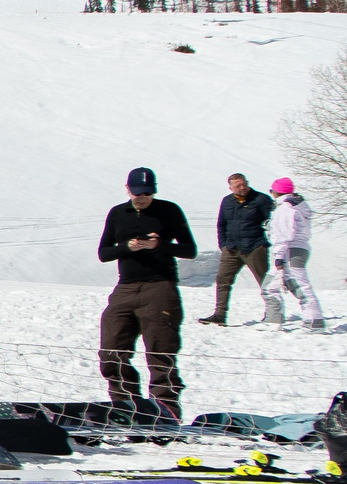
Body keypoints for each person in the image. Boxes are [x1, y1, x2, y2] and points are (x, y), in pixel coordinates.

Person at [98, 166, 197, 420]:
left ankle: (166, 414)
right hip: (126, 286)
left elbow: (189, 249)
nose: (142, 197)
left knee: (160, 352)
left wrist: (158, 245)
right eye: (137, 192)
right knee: (112, 351)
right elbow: (104, 253)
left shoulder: (169, 210)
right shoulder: (118, 213)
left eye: (147, 193)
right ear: (127, 188)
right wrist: (127, 247)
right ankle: (126, 409)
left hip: (160, 286)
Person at [202, 172, 277, 326]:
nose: (242, 187)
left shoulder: (261, 200)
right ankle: (220, 314)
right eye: (238, 186)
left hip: (255, 247)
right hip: (231, 248)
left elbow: (274, 223)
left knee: (265, 282)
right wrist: (223, 244)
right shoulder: (227, 201)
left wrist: (264, 243)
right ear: (231, 188)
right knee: (222, 280)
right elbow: (221, 224)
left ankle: (273, 313)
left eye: (244, 184)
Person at [265, 178, 324, 330]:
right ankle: (273, 321)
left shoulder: (285, 208)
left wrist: (278, 257)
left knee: (300, 285)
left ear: (276, 192)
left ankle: (314, 321)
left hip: (289, 250)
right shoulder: (298, 205)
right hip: (298, 248)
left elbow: (282, 234)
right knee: (269, 286)